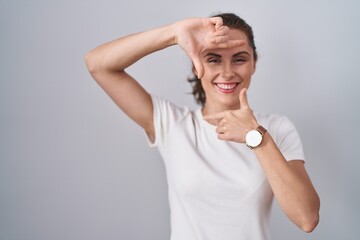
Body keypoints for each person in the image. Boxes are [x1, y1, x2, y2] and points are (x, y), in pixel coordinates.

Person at [85, 13, 320, 240]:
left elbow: (307, 218)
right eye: (213, 59)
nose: (227, 73)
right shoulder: (173, 124)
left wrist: (256, 137)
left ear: (253, 64)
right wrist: (174, 33)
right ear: (196, 64)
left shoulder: (276, 128)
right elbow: (98, 64)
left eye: (239, 58)